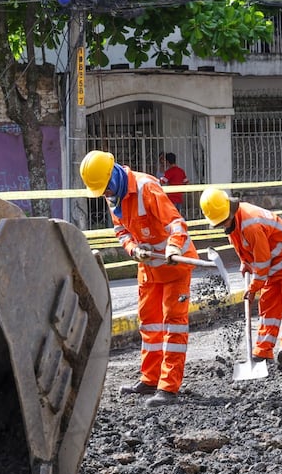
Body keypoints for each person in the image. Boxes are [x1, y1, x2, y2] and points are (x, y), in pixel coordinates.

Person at [81, 149, 197, 406]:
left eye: (105, 188)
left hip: (174, 266)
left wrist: (174, 247)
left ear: (113, 176)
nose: (104, 194)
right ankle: (150, 379)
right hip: (149, 268)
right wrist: (134, 249)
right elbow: (121, 230)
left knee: (174, 325)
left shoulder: (147, 188)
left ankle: (168, 387)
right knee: (150, 325)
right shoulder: (113, 195)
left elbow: (176, 223)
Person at [199, 187, 282, 370]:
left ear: (229, 210)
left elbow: (263, 262)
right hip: (273, 268)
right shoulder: (234, 222)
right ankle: (263, 351)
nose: (223, 225)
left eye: (223, 222)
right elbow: (242, 245)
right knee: (268, 307)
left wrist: (253, 288)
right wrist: (245, 262)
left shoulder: (251, 224)